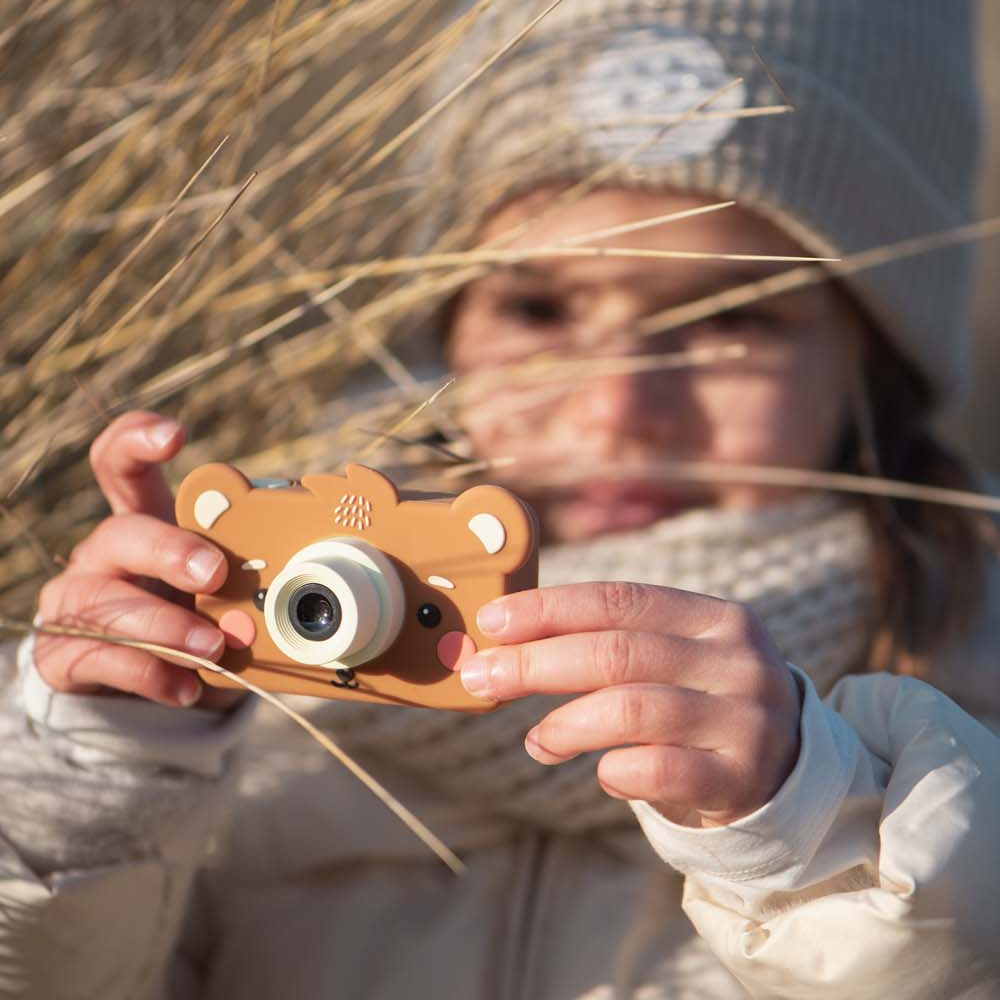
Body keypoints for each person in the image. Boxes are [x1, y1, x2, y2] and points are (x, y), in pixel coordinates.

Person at [2, 1, 999, 997]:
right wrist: (92, 772)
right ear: (449, 327)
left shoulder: (951, 740)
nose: (614, 406)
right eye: (536, 306)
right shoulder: (263, 671)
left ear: (875, 366)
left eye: (731, 314)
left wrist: (817, 833)